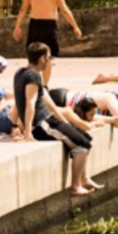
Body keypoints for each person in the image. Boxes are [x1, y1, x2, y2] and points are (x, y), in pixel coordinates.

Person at [14, 42, 97, 195]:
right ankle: (76, 186)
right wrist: (27, 132)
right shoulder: (33, 75)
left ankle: (85, 178)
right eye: (50, 57)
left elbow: (48, 102)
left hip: (50, 120)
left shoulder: (21, 72)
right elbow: (30, 104)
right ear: (43, 58)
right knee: (82, 146)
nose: (51, 62)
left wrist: (65, 122)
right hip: (42, 125)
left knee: (86, 137)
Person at [12, 0, 83, 82]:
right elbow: (64, 10)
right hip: (49, 26)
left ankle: (32, 82)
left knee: (33, 56)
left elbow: (23, 9)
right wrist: (75, 26)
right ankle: (44, 85)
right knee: (47, 57)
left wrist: (17, 26)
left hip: (35, 24)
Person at [49, 87, 118, 126]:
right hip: (61, 99)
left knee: (91, 116)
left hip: (65, 102)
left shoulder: (111, 103)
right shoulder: (110, 97)